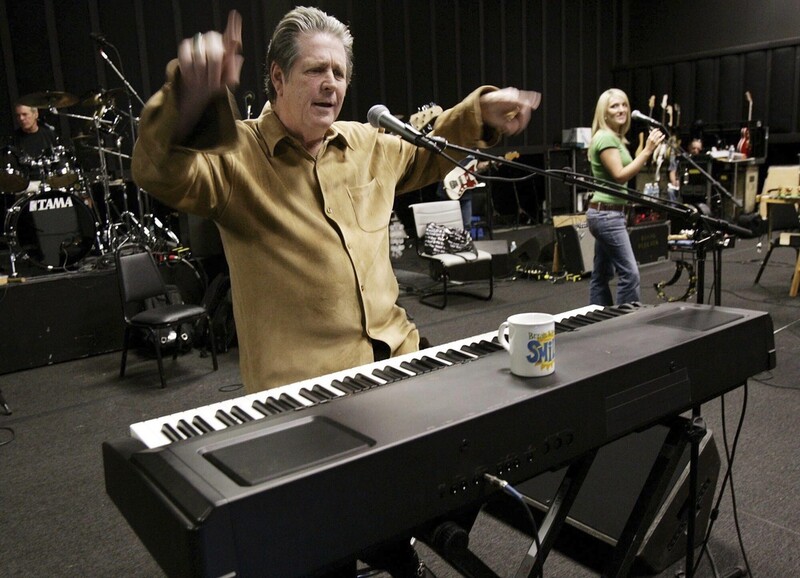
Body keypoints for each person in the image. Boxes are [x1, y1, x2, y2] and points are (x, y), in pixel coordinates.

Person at [131, 7, 540, 395]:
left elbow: (425, 152)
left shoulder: (364, 144)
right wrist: (186, 98)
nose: (331, 83)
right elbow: (158, 172)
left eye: (339, 73)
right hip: (304, 391)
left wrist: (479, 113)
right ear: (278, 77)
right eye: (315, 70)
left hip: (398, 359)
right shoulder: (237, 157)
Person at [586, 88, 665, 306]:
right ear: (604, 113)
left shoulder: (613, 137)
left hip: (605, 213)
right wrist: (647, 150)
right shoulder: (606, 138)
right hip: (607, 215)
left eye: (624, 105)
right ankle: (625, 321)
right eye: (614, 106)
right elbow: (620, 175)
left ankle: (599, 317)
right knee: (630, 274)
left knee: (601, 275)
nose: (621, 110)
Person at [11, 103, 60, 181]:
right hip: (27, 182)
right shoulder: (13, 139)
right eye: (18, 115)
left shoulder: (49, 134)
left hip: (51, 178)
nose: (21, 118)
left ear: (36, 114)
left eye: (24, 114)